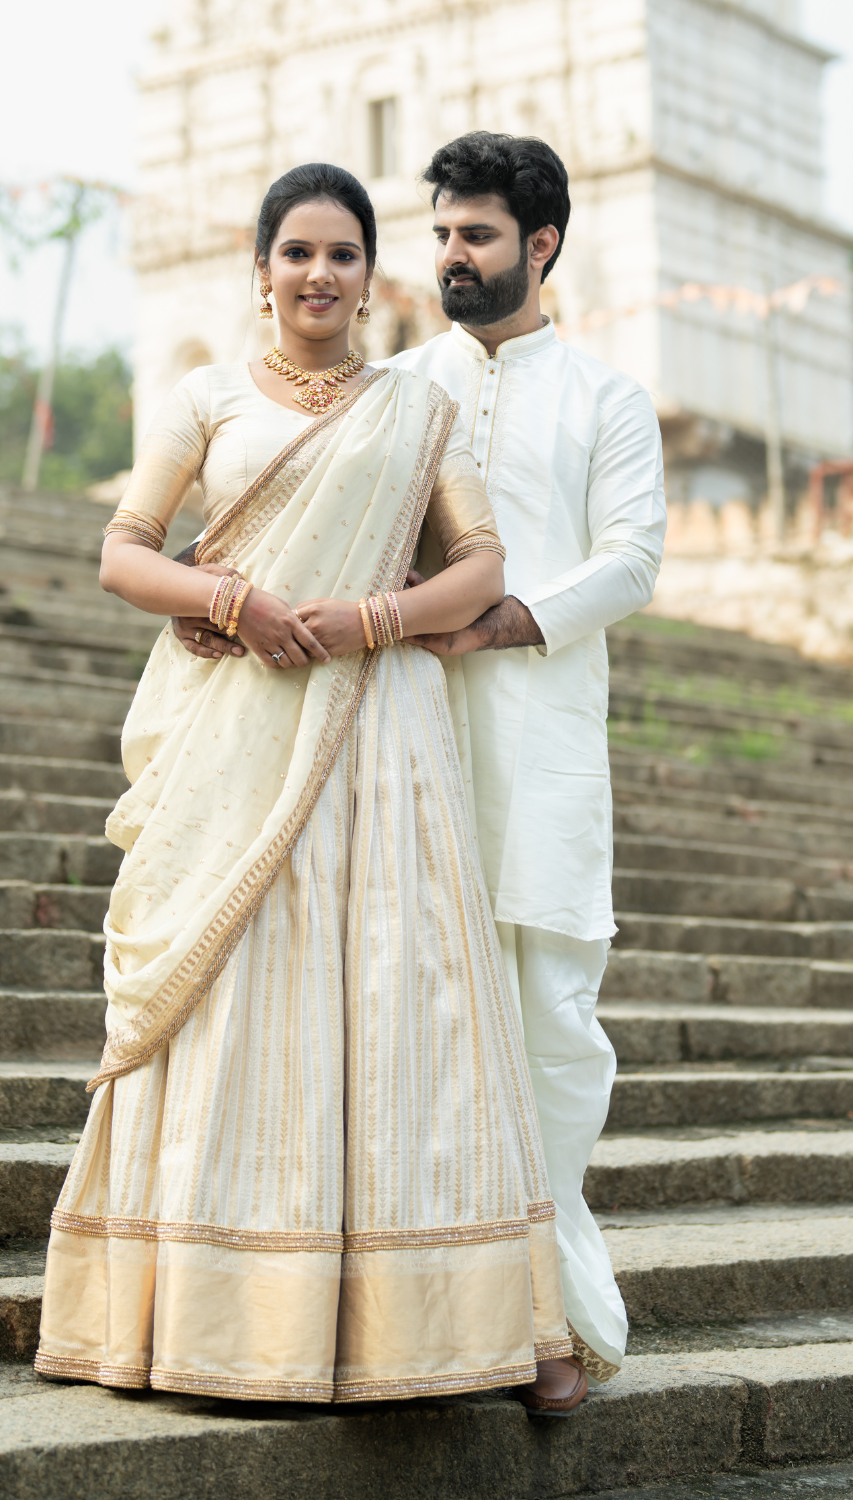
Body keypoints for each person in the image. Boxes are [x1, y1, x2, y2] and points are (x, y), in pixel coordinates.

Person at [35, 163, 578, 1407]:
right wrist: (230, 599)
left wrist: (373, 619)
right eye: (298, 253)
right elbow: (124, 554)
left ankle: (463, 1324)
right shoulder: (208, 399)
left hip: (382, 740)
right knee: (235, 1001)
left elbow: (481, 566)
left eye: (343, 255)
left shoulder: (415, 409)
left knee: (412, 1003)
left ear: (369, 276)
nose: (319, 275)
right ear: (262, 269)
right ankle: (218, 1320)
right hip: (236, 736)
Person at [181, 136, 667, 1412]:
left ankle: (557, 1315)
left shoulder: (606, 399)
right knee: (409, 1033)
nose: (450, 255)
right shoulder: (393, 389)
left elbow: (631, 561)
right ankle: (425, 1324)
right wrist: (217, 608)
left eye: (477, 235)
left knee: (550, 1035)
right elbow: (297, 534)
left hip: (538, 747)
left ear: (540, 245)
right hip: (392, 748)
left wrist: (500, 622)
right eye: (442, 232)